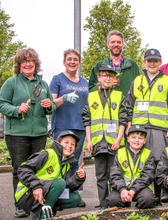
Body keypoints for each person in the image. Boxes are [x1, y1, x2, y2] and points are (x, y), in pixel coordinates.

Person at [0, 48, 56, 218]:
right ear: (19, 64)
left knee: (36, 169)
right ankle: (20, 204)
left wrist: (49, 106)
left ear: (36, 64)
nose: (28, 63)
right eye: (25, 61)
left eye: (31, 61)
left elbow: (51, 106)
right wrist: (17, 109)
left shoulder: (42, 84)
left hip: (38, 133)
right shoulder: (11, 83)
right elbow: (1, 104)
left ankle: (35, 202)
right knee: (20, 169)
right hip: (17, 134)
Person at [125, 48, 168, 200]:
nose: (152, 63)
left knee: (159, 161)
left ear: (160, 62)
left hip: (160, 129)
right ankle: (144, 194)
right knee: (143, 162)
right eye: (149, 61)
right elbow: (129, 105)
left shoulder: (167, 81)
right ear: (144, 62)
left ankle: (161, 193)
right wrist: (129, 124)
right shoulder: (136, 81)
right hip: (140, 129)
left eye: (155, 61)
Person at [82, 64, 127, 210]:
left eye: (111, 76)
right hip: (97, 142)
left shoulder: (119, 96)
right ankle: (103, 203)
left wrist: (119, 139)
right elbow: (87, 120)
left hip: (114, 142)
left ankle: (114, 201)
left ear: (114, 79)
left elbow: (123, 120)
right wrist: (89, 140)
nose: (108, 78)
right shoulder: (91, 96)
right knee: (100, 174)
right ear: (99, 77)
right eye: (105, 75)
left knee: (114, 173)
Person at [14, 131, 86, 220]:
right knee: (59, 182)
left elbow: (64, 187)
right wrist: (35, 186)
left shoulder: (66, 164)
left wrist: (78, 178)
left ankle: (46, 211)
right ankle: (42, 217)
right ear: (58, 143)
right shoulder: (48, 154)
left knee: (76, 198)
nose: (70, 146)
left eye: (73, 144)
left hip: (44, 194)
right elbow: (23, 169)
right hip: (27, 194)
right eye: (66, 142)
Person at [49, 49, 88, 177]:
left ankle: (72, 192)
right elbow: (50, 104)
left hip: (79, 127)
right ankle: (59, 191)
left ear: (79, 63)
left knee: (74, 161)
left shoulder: (84, 82)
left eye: (75, 59)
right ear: (64, 62)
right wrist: (64, 98)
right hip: (62, 126)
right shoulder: (57, 79)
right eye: (69, 59)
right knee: (60, 160)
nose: (72, 62)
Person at [107, 125, 156, 209]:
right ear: (128, 139)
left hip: (141, 188)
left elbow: (148, 176)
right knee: (112, 200)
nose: (137, 140)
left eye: (140, 138)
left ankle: (136, 211)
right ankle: (125, 203)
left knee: (148, 200)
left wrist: (133, 190)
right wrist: (122, 190)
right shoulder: (120, 153)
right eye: (133, 137)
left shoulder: (148, 154)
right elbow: (115, 175)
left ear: (145, 141)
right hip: (122, 188)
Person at [88, 30, 140, 97]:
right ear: (108, 44)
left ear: (123, 44)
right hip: (106, 106)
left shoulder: (132, 65)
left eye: (119, 42)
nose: (116, 45)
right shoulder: (99, 66)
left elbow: (139, 88)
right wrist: (103, 86)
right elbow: (91, 89)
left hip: (127, 107)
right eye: (113, 42)